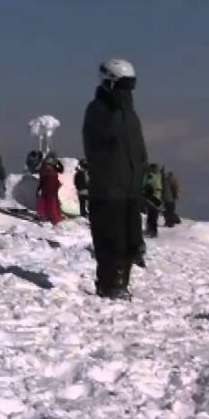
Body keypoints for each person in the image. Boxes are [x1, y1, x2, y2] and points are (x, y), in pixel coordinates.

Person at [83, 58, 148, 300]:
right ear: (109, 83)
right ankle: (109, 284)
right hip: (108, 188)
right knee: (112, 240)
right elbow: (98, 145)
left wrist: (142, 174)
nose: (127, 91)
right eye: (123, 85)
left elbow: (139, 148)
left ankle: (122, 281)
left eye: (131, 85)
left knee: (131, 241)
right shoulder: (98, 110)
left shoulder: (130, 115)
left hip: (130, 187)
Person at [36, 159, 63, 226]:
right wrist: (59, 163)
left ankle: (46, 216)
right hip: (52, 189)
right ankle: (54, 218)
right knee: (52, 203)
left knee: (47, 203)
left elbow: (41, 180)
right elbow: (61, 170)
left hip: (47, 189)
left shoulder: (44, 169)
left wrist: (39, 188)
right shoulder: (52, 168)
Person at [143, 164, 163, 238]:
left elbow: (148, 187)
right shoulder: (155, 177)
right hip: (155, 198)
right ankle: (152, 231)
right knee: (153, 215)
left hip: (153, 198)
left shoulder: (152, 176)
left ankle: (151, 231)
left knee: (152, 215)